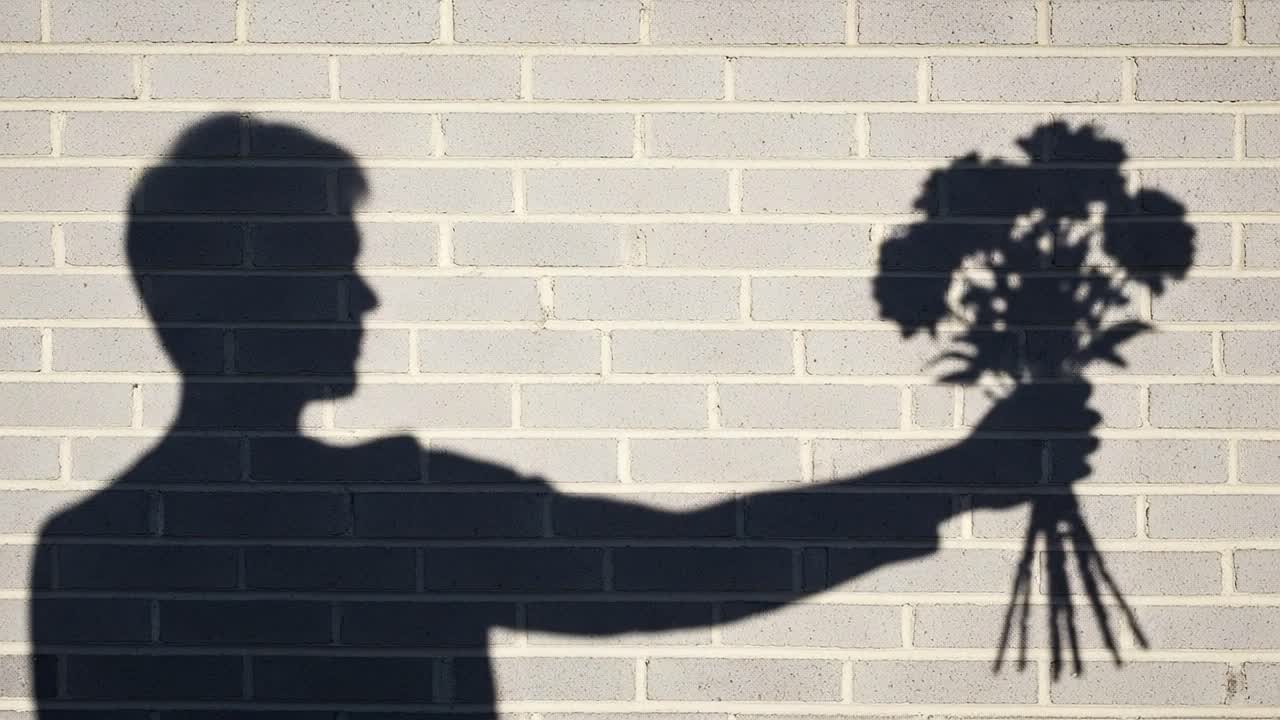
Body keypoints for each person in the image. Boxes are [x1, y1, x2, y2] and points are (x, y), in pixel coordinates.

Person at [29, 115, 1180, 715]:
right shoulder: (391, 511)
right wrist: (958, 477)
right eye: (330, 258)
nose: (364, 292)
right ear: (227, 285)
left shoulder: (84, 557)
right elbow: (677, 569)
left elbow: (673, 567)